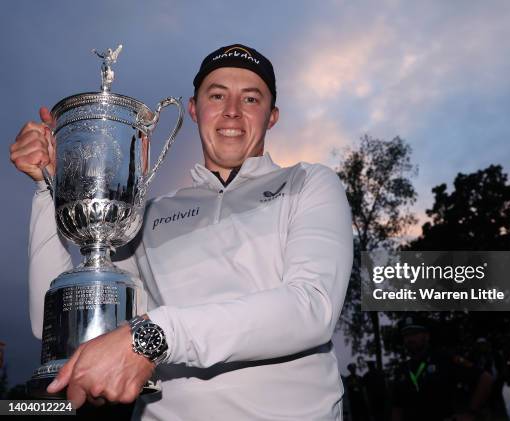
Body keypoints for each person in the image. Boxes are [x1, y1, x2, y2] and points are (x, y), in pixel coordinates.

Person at [10, 44, 353, 420]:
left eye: (251, 98)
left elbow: (311, 308)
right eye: (217, 95)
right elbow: (57, 327)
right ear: (193, 109)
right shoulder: (148, 214)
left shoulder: (309, 182)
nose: (232, 111)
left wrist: (154, 337)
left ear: (272, 116)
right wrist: (48, 186)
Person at [390, 317, 493, 421]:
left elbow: (485, 378)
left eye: (415, 333)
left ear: (427, 336)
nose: (410, 339)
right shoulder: (401, 370)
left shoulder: (444, 359)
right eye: (406, 335)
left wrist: (471, 413)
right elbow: (397, 407)